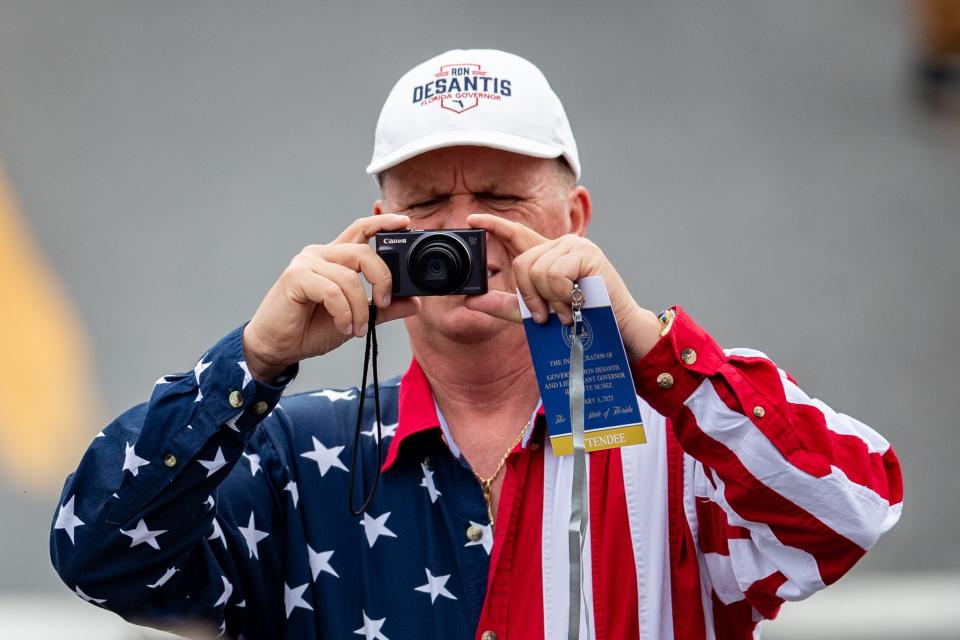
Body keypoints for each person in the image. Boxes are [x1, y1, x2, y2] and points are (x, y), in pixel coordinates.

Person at [50, 49, 903, 640]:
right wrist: (255, 359)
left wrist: (636, 337)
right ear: (377, 230)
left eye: (498, 194)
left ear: (576, 221)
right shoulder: (293, 454)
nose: (462, 230)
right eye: (425, 205)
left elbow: (852, 509)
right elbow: (101, 555)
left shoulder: (682, 443)